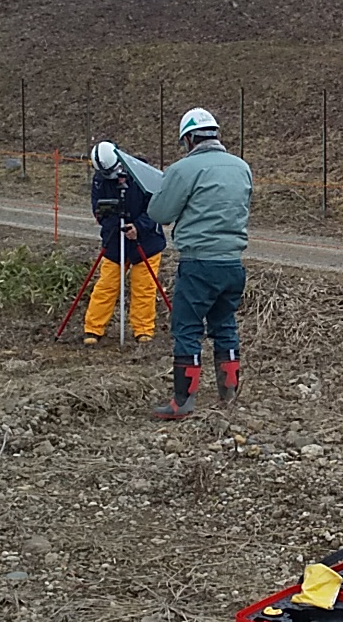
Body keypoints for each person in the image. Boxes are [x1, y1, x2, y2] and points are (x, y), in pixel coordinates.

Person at [146, 107, 252, 419]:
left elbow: (160, 214)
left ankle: (182, 402)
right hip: (233, 263)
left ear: (189, 138)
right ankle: (228, 395)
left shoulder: (184, 169)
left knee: (187, 328)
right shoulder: (241, 167)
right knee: (225, 325)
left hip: (198, 262)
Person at [82, 141, 166, 345]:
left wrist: (138, 227)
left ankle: (143, 330)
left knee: (144, 287)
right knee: (106, 285)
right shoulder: (100, 181)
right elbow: (99, 211)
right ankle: (93, 329)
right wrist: (115, 226)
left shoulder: (143, 173)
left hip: (146, 242)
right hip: (115, 241)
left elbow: (157, 207)